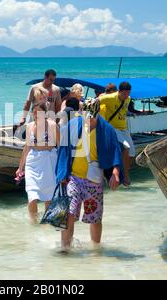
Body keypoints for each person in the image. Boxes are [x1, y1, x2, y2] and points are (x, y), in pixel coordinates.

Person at [55, 99, 123, 251]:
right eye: (87, 115)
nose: (89, 119)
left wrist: (116, 172)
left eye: (92, 116)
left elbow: (115, 152)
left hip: (94, 180)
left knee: (95, 218)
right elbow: (63, 151)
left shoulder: (107, 130)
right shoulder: (73, 126)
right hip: (74, 178)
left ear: (98, 114)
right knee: (69, 214)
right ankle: (65, 249)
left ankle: (96, 249)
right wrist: (61, 174)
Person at [16, 102, 60, 222]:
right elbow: (26, 147)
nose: (36, 114)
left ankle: (47, 221)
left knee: (48, 195)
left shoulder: (52, 125)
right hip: (32, 162)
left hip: (48, 161)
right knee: (31, 194)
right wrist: (20, 167)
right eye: (34, 112)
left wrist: (63, 167)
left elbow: (60, 146)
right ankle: (33, 223)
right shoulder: (29, 126)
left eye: (38, 112)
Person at [98, 81, 134, 186]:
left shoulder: (128, 99)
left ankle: (123, 171)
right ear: (119, 91)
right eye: (124, 94)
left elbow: (124, 110)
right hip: (113, 129)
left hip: (124, 129)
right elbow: (95, 101)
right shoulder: (110, 98)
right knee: (126, 148)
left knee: (132, 152)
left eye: (128, 93)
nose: (126, 96)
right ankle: (126, 177)